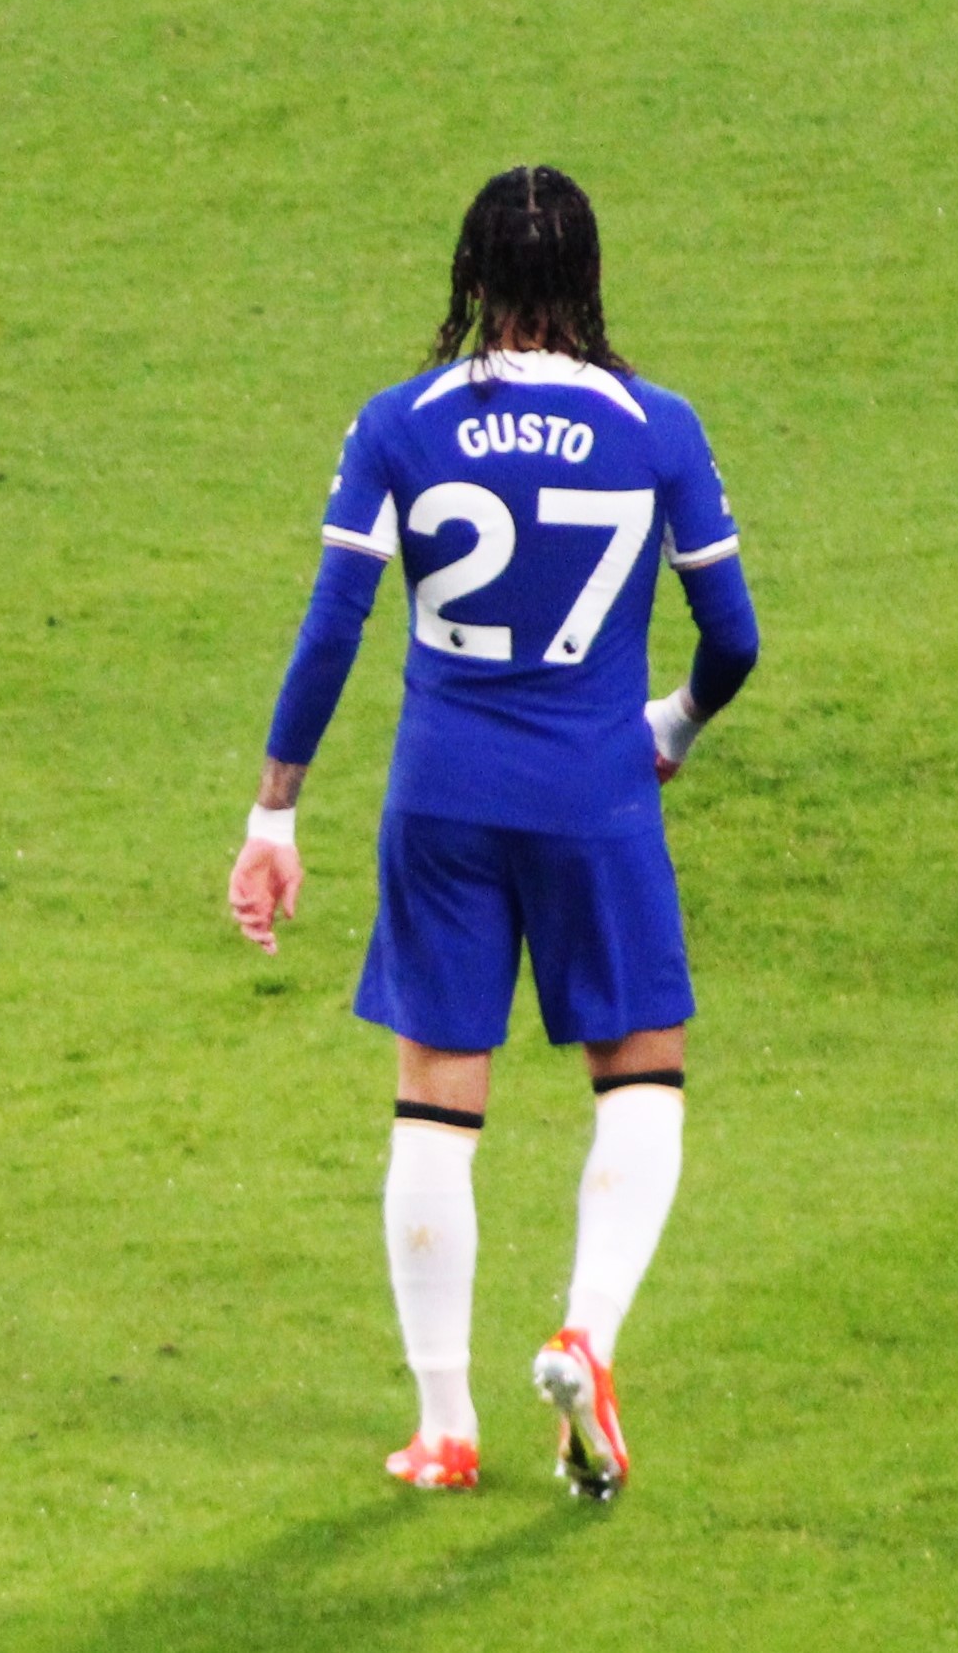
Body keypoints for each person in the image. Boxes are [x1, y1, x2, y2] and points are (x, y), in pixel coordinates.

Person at [227, 168, 761, 1500]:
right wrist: (673, 725)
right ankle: (588, 1335)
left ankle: (444, 1424)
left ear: (469, 276)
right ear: (590, 278)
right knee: (640, 1076)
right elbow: (735, 638)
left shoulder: (399, 423)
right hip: (596, 794)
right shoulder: (658, 426)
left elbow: (333, 627)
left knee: (433, 1103)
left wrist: (274, 810)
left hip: (441, 798)